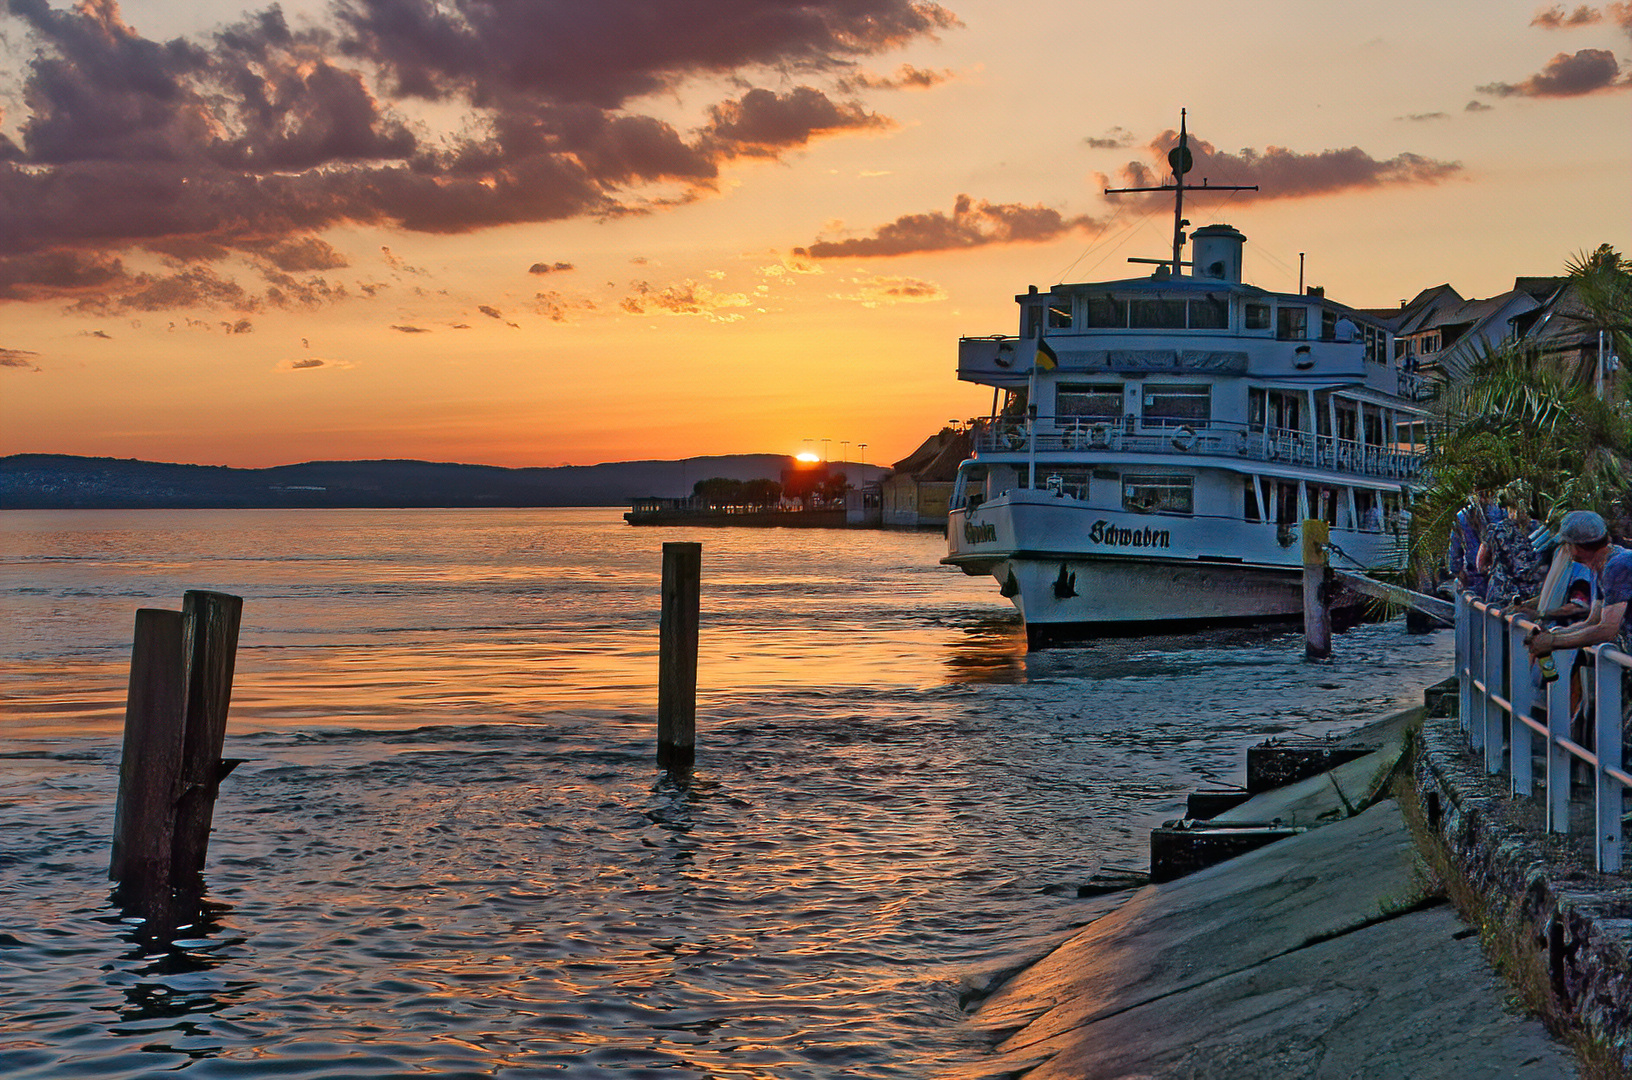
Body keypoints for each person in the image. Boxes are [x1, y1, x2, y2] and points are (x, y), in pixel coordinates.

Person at [1525, 510, 1632, 741]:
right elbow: (1593, 619)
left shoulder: (1618, 565)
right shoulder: (1600, 566)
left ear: (1575, 546)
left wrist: (1554, 642)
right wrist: (1557, 633)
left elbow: (1607, 629)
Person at [1480, 481, 1545, 608]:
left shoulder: (1495, 530)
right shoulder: (1542, 530)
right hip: (1532, 600)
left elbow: (1480, 565)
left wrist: (1494, 570)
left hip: (1501, 599)